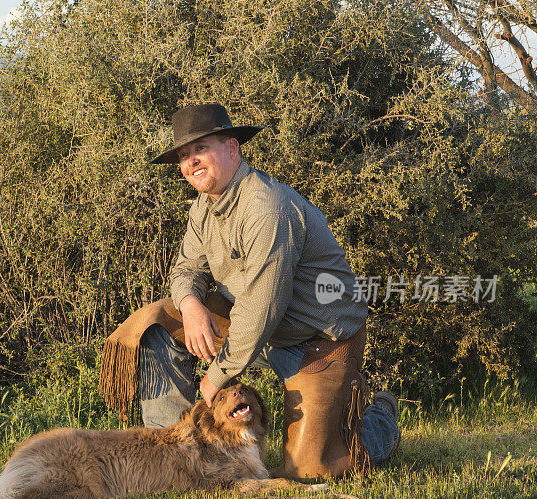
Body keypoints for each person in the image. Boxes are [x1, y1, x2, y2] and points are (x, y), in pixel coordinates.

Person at [138, 103, 399, 479]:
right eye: (183, 155)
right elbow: (184, 269)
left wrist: (215, 378)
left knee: (312, 469)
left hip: (317, 342)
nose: (191, 162)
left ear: (232, 148)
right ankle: (173, 455)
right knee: (160, 323)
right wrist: (191, 303)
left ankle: (380, 421)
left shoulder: (266, 209)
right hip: (260, 331)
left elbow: (261, 309)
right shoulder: (202, 208)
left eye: (201, 149)